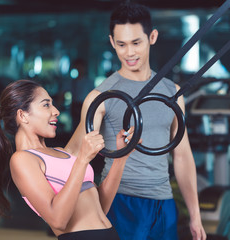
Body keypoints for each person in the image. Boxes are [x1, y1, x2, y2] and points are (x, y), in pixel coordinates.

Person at [65, 2, 206, 240]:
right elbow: (72, 155)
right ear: (112, 42)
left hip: (164, 202)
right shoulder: (101, 96)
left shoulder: (172, 92)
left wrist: (195, 215)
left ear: (152, 36)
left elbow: (182, 156)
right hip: (120, 202)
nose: (129, 53)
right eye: (121, 44)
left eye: (136, 43)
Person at [0, 79, 138, 240]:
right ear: (23, 115)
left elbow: (100, 208)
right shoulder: (22, 160)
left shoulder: (62, 152)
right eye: (46, 105)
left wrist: (121, 157)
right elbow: (57, 220)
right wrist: (82, 160)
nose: (56, 111)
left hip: (110, 234)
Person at [70, 58, 94, 130]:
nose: (79, 69)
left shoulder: (89, 82)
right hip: (75, 105)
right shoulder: (72, 81)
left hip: (85, 105)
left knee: (84, 126)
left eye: (81, 67)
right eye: (77, 67)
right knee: (75, 126)